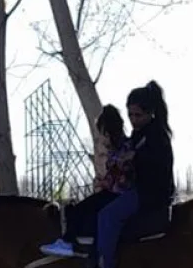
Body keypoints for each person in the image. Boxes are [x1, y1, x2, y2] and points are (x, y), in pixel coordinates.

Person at [86, 81, 175, 268]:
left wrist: (134, 156)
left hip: (150, 194)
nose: (133, 120)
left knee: (108, 216)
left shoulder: (157, 135)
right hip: (138, 189)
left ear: (150, 113)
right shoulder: (139, 135)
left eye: (138, 115)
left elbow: (156, 163)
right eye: (130, 115)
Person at [40, 105, 134, 258]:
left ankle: (83, 248)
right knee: (78, 209)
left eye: (102, 134)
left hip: (120, 196)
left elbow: (125, 179)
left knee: (93, 214)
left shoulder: (126, 149)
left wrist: (106, 184)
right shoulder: (114, 150)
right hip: (111, 192)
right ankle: (68, 241)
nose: (102, 139)